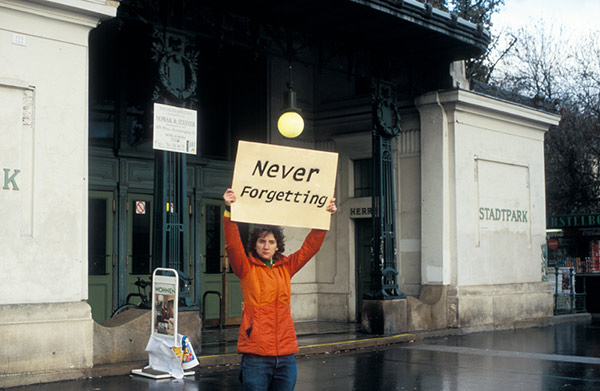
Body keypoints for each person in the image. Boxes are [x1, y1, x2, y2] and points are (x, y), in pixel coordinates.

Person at [222, 188, 337, 391]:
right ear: (255, 245)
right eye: (262, 241)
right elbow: (233, 245)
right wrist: (229, 211)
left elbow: (310, 247)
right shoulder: (245, 267)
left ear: (277, 246)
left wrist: (324, 216)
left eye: (271, 242)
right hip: (256, 356)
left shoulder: (286, 267)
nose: (266, 246)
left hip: (285, 355)